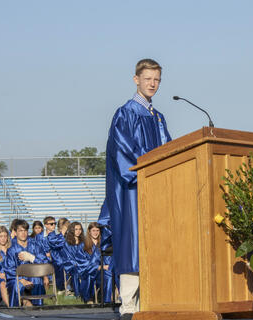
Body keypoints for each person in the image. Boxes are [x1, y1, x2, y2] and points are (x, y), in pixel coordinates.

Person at [102, 58, 171, 318]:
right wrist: (148, 172)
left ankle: (152, 300)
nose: (152, 84)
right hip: (133, 190)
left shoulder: (159, 117)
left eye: (157, 80)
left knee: (154, 243)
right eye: (148, 79)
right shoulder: (126, 113)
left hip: (156, 189)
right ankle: (129, 305)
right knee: (133, 242)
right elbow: (123, 154)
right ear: (136, 80)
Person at [4, 219, 48, 307]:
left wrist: (32, 258)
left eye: (25, 230)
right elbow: (9, 269)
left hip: (33, 276)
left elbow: (44, 262)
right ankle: (25, 304)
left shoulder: (35, 245)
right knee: (17, 285)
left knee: (37, 280)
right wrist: (20, 279)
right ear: (15, 232)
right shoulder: (12, 249)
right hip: (17, 278)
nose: (23, 233)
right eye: (20, 231)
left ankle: (37, 308)